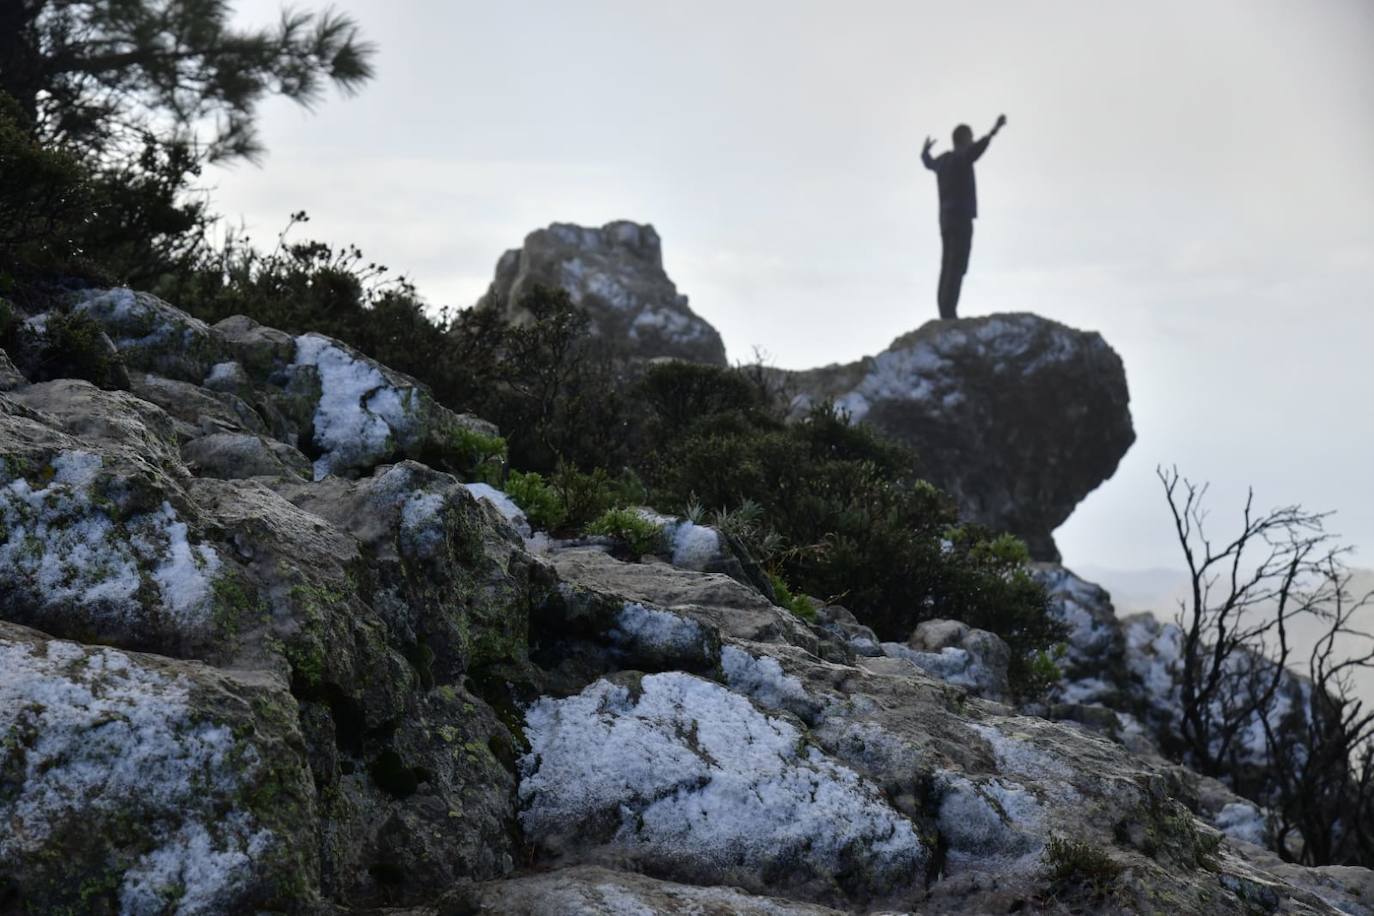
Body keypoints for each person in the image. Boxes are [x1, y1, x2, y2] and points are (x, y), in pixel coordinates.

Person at [922, 114, 1007, 319]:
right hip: (961, 220)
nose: (972, 140)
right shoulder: (961, 157)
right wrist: (993, 131)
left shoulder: (943, 161)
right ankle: (948, 312)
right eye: (970, 137)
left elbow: (928, 163)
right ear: (964, 139)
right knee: (957, 265)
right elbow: (977, 149)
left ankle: (945, 309)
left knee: (948, 265)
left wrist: (924, 152)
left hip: (945, 221)